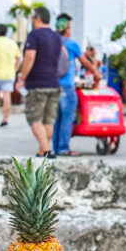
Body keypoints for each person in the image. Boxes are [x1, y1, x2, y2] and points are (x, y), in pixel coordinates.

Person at [52, 14, 102, 156]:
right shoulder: (71, 44)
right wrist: (96, 73)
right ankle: (63, 148)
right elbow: (85, 62)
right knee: (67, 118)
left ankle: (56, 147)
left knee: (56, 119)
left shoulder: (52, 42)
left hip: (53, 85)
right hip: (67, 86)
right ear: (67, 29)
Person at [16, 6, 62, 158]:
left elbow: (29, 57)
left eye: (32, 18)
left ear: (38, 19)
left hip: (37, 83)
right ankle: (42, 150)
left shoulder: (34, 36)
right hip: (54, 83)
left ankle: (47, 150)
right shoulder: (56, 37)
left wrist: (22, 78)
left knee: (35, 118)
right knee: (48, 120)